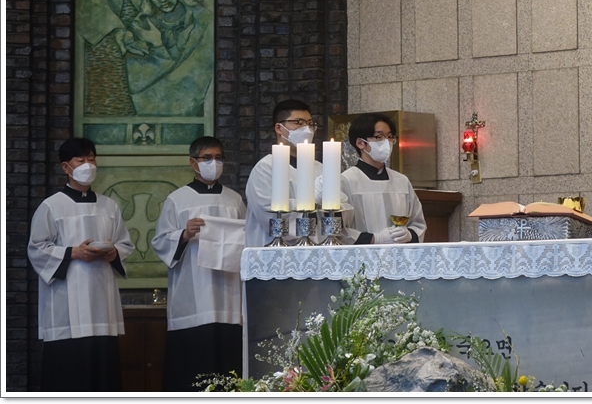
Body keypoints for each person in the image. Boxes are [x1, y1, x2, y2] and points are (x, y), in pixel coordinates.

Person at [27, 137, 135, 391]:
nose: (88, 165)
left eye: (91, 159)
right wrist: (73, 252)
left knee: (102, 374)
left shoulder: (109, 205)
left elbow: (125, 244)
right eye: (81, 160)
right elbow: (36, 248)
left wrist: (113, 253)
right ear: (66, 167)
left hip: (101, 301)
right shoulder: (51, 206)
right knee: (68, 375)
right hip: (66, 301)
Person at [152, 136, 246, 391]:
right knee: (193, 370)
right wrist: (184, 233)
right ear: (193, 162)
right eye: (207, 158)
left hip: (228, 294)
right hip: (193, 293)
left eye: (218, 158)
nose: (213, 163)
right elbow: (160, 241)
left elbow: (247, 239)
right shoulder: (178, 199)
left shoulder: (234, 200)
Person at [244, 99, 350, 247]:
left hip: (319, 250)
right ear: (279, 128)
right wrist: (313, 200)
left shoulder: (321, 168)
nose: (307, 129)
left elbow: (343, 208)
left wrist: (330, 206)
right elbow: (268, 212)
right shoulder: (265, 168)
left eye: (310, 123)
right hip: (277, 252)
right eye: (299, 122)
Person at [339, 113, 426, 245]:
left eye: (390, 137)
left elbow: (418, 224)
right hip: (363, 255)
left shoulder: (401, 181)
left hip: (398, 254)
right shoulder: (346, 181)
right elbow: (338, 230)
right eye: (379, 137)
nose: (387, 142)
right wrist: (375, 239)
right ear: (360, 143)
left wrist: (409, 235)